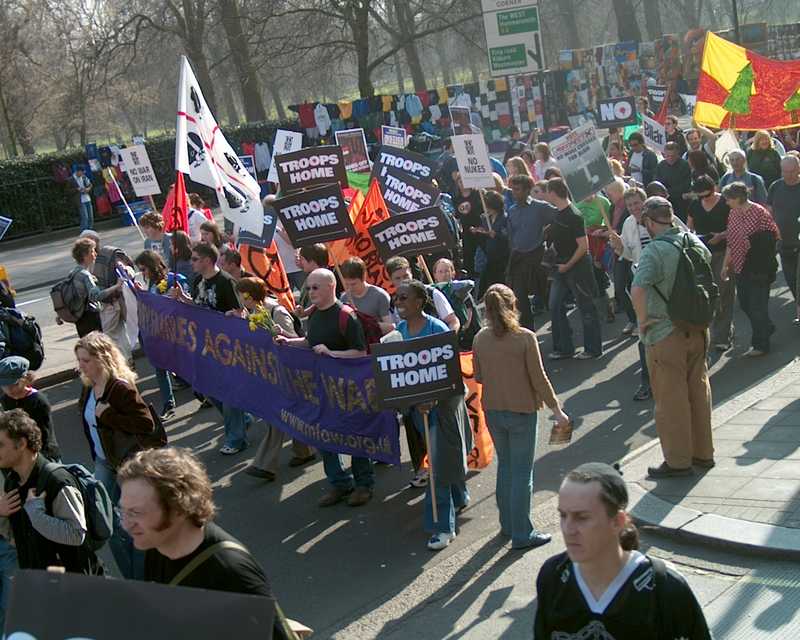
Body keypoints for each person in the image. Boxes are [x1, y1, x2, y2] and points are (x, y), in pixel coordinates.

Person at [117, 448, 300, 640]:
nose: (125, 524)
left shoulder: (231, 573)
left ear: (178, 509)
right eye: (124, 511)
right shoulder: (154, 545)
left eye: (137, 513)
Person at [534, 462, 712, 639]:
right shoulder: (553, 576)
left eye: (582, 517)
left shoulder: (664, 588)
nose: (568, 529)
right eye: (563, 515)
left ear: (617, 521)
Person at [473, 284, 570, 549]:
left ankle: (507, 525)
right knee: (521, 474)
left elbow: (479, 376)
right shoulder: (525, 337)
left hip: (493, 409)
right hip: (522, 411)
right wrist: (557, 411)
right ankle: (521, 532)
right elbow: (539, 378)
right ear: (513, 306)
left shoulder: (480, 338)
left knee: (505, 468)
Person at [631, 196, 714, 477]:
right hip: (698, 328)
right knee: (699, 393)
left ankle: (678, 462)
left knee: (671, 400)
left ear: (651, 222)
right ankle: (703, 454)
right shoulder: (695, 241)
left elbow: (638, 290)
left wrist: (643, 323)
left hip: (666, 333)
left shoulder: (654, 251)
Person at [275, 269, 372, 507]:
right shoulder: (316, 314)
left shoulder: (346, 316)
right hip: (322, 388)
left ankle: (363, 484)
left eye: (315, 287)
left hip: (348, 389)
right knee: (324, 434)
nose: (310, 292)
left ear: (331, 286)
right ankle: (339, 483)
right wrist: (290, 341)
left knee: (355, 436)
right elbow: (311, 342)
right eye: (308, 288)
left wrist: (332, 354)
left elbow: (360, 352)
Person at [394, 280, 471, 550]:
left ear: (419, 302)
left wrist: (434, 399)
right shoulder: (399, 332)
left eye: (404, 298)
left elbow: (450, 376)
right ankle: (460, 495)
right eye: (397, 298)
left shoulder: (437, 330)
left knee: (437, 468)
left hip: (443, 409)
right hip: (418, 411)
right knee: (443, 460)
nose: (399, 303)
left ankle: (442, 528)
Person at [75, 331, 154, 578]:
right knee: (108, 523)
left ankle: (142, 574)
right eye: (79, 360)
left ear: (102, 358)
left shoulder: (120, 387)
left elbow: (146, 424)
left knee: (134, 521)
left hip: (127, 464)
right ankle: (133, 575)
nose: (81, 366)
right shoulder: (89, 387)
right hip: (103, 462)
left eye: (86, 360)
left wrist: (109, 415)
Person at [0, 410, 102, 576]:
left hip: (73, 585)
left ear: (21, 444)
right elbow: (18, 539)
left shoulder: (57, 481)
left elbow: (76, 534)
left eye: (1, 445)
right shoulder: (13, 483)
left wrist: (36, 514)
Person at [234, 278, 316, 481]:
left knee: (277, 414)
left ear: (249, 295)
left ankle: (265, 464)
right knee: (290, 412)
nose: (239, 298)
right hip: (270, 370)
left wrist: (279, 333)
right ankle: (305, 450)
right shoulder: (251, 312)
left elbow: (293, 336)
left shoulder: (275, 311)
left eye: (241, 294)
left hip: (288, 370)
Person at [171, 243, 249, 454]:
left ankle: (235, 438)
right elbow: (199, 306)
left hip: (226, 346)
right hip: (205, 344)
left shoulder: (225, 282)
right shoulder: (197, 281)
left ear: (207, 260)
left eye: (195, 259)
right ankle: (243, 418)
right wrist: (183, 299)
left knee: (228, 391)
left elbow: (240, 311)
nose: (191, 262)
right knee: (206, 387)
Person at [543, 178, 603, 360]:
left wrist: (567, 265)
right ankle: (564, 347)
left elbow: (583, 246)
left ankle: (593, 349)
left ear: (553, 193)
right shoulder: (556, 214)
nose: (546, 195)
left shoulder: (574, 215)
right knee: (554, 305)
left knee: (586, 307)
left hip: (577, 268)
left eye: (547, 192)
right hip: (560, 266)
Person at [721, 182, 780, 356]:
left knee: (757, 306)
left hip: (758, 267)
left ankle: (761, 344)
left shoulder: (759, 212)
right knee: (746, 303)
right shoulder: (733, 213)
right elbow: (731, 242)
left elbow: (773, 236)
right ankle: (766, 327)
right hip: (740, 267)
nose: (726, 202)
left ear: (738, 198)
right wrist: (726, 265)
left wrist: (757, 248)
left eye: (728, 199)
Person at [608, 187, 653, 401]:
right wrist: (618, 246)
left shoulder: (659, 218)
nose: (634, 208)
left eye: (637, 203)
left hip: (664, 283)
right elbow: (628, 253)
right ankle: (647, 383)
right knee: (645, 335)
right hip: (642, 284)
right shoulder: (628, 224)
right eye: (630, 205)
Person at [134, 250, 188, 419]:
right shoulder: (151, 284)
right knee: (159, 367)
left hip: (176, 333)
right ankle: (168, 403)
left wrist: (177, 296)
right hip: (158, 334)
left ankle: (204, 394)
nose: (142, 273)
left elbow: (186, 300)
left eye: (144, 269)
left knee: (186, 366)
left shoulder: (173, 279)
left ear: (152, 266)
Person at [687, 176, 734, 350]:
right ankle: (721, 329)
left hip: (724, 252)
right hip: (702, 254)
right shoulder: (694, 206)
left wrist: (721, 235)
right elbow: (689, 228)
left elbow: (736, 228)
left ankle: (722, 336)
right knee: (708, 295)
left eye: (707, 195)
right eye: (700, 196)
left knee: (724, 293)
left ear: (714, 189)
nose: (703, 199)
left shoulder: (725, 204)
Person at [506, 174, 556, 330]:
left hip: (538, 257)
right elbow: (511, 234)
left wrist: (549, 235)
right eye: (512, 189)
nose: (514, 192)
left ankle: (559, 330)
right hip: (520, 258)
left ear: (527, 190)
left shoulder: (540, 207)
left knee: (548, 298)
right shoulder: (512, 210)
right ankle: (529, 333)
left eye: (518, 189)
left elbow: (560, 217)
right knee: (519, 298)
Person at [79, 230, 135, 362]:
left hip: (109, 304)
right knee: (121, 333)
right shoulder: (108, 254)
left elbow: (95, 294)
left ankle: (123, 362)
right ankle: (128, 360)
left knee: (112, 336)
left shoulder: (94, 261)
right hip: (119, 300)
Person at [0, 356, 61, 461]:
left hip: (43, 455)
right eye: (4, 386)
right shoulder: (5, 399)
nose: (8, 390)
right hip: (18, 454)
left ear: (25, 379)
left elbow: (44, 436)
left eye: (14, 384)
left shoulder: (38, 401)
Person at [386, 256, 460, 333]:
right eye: (398, 278)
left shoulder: (431, 293)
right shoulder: (393, 304)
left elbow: (453, 321)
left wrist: (448, 340)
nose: (403, 281)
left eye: (406, 276)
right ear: (390, 279)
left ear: (411, 272)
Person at [766, 155, 800, 323]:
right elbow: (769, 211)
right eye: (785, 171)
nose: (789, 175)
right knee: (791, 280)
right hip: (784, 243)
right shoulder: (775, 186)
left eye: (792, 171)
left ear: (798, 169)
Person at [65, 237, 120, 337]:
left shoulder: (72, 273)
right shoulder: (85, 275)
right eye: (92, 251)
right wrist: (116, 286)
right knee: (97, 346)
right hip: (91, 316)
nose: (95, 254)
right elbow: (98, 296)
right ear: (85, 255)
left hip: (80, 318)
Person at [471, 189, 509, 298]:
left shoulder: (504, 218)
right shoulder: (485, 217)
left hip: (502, 255)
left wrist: (497, 235)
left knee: (499, 281)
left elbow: (508, 236)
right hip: (490, 255)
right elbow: (485, 232)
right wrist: (478, 231)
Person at [339, 256, 393, 330]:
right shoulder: (344, 298)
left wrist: (367, 324)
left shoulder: (380, 295)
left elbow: (391, 327)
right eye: (346, 284)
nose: (350, 288)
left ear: (364, 276)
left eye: (353, 284)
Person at [452, 173, 484, 277]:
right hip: (466, 231)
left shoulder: (477, 194)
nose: (462, 184)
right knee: (468, 255)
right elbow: (456, 215)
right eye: (460, 182)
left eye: (464, 181)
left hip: (479, 229)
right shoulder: (456, 197)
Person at [655, 142, 693, 222]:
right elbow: (658, 184)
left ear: (677, 154)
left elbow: (686, 185)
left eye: (673, 156)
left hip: (681, 203)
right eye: (667, 156)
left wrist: (670, 192)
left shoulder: (684, 165)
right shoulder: (661, 166)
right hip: (666, 202)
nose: (670, 158)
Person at [72, 166, 94, 232]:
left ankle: (90, 229)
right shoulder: (72, 179)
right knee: (85, 217)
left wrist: (88, 189)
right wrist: (77, 189)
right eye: (81, 172)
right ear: (78, 171)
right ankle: (84, 231)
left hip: (87, 198)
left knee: (90, 216)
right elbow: (68, 190)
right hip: (80, 200)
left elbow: (90, 184)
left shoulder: (84, 177)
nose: (82, 174)